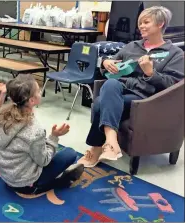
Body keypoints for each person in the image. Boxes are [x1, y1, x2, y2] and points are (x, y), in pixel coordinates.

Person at [78, 6, 184, 167]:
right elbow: (111, 62)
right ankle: (112, 142)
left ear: (160, 24)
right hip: (120, 89)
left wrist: (151, 74)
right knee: (112, 83)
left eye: (146, 22)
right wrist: (106, 62)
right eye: (140, 22)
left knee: (100, 103)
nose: (141, 26)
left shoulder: (174, 53)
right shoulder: (133, 45)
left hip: (147, 98)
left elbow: (174, 85)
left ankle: (96, 148)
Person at [0, 74, 84, 195]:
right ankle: (58, 181)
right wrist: (54, 137)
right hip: (25, 183)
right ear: (32, 100)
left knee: (38, 149)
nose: (40, 92)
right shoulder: (35, 130)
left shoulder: (1, 116)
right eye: (38, 91)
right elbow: (44, 161)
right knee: (70, 153)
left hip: (6, 175)